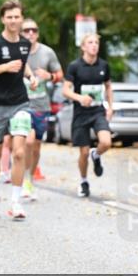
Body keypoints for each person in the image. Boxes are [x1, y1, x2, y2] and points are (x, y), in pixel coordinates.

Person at [0, 0, 38, 221]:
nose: (13, 20)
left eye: (17, 16)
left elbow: (23, 63)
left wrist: (31, 77)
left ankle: (16, 201)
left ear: (21, 18)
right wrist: (5, 67)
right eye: (9, 17)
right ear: (3, 19)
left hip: (20, 103)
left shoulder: (24, 43)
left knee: (20, 151)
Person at [61, 33, 113, 198]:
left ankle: (96, 154)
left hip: (98, 111)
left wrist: (110, 107)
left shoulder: (103, 65)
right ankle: (84, 181)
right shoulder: (74, 66)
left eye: (96, 42)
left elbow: (108, 87)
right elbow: (66, 90)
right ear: (83, 47)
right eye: (90, 42)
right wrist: (80, 98)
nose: (94, 45)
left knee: (106, 142)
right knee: (82, 152)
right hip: (81, 113)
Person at [20, 19, 62, 200]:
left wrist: (50, 76)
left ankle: (30, 177)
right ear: (21, 33)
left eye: (34, 30)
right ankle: (23, 179)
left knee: (36, 146)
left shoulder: (47, 52)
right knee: (28, 142)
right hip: (21, 104)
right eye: (26, 30)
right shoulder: (17, 51)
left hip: (41, 105)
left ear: (37, 32)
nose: (30, 33)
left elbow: (60, 76)